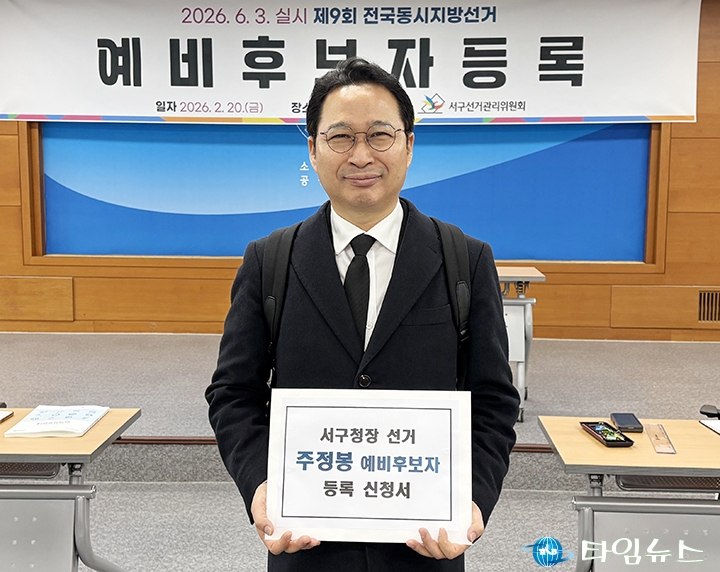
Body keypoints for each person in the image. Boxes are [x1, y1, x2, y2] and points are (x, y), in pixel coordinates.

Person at [206, 56, 519, 572]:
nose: (361, 155)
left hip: (425, 546)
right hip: (307, 546)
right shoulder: (269, 261)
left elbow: (492, 399)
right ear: (312, 149)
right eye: (340, 137)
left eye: (379, 135)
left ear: (409, 145)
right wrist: (262, 486)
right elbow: (233, 393)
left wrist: (472, 500)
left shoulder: (465, 259)